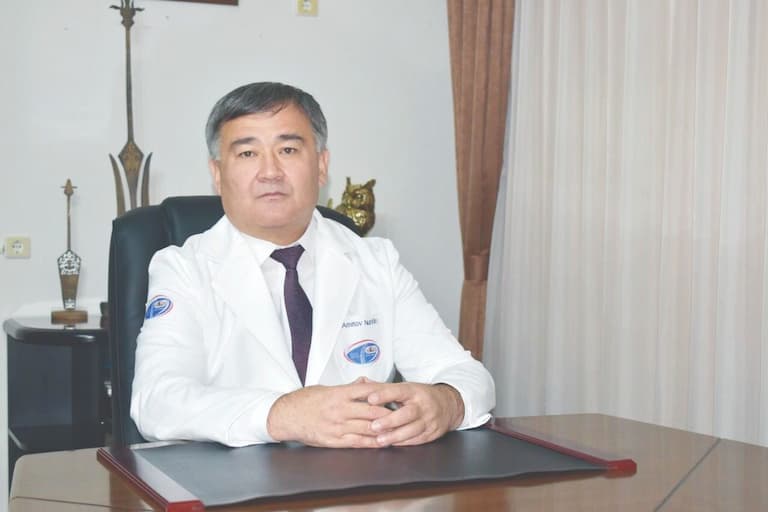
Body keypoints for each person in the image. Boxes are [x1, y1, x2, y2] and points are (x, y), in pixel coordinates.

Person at [130, 82, 495, 448]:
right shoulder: (183, 269)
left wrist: (446, 403)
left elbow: (465, 374)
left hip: (360, 476)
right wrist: (285, 414)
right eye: (247, 153)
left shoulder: (375, 261)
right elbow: (155, 401)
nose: (270, 171)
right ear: (217, 173)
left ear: (321, 166)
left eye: (288, 150)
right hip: (236, 480)